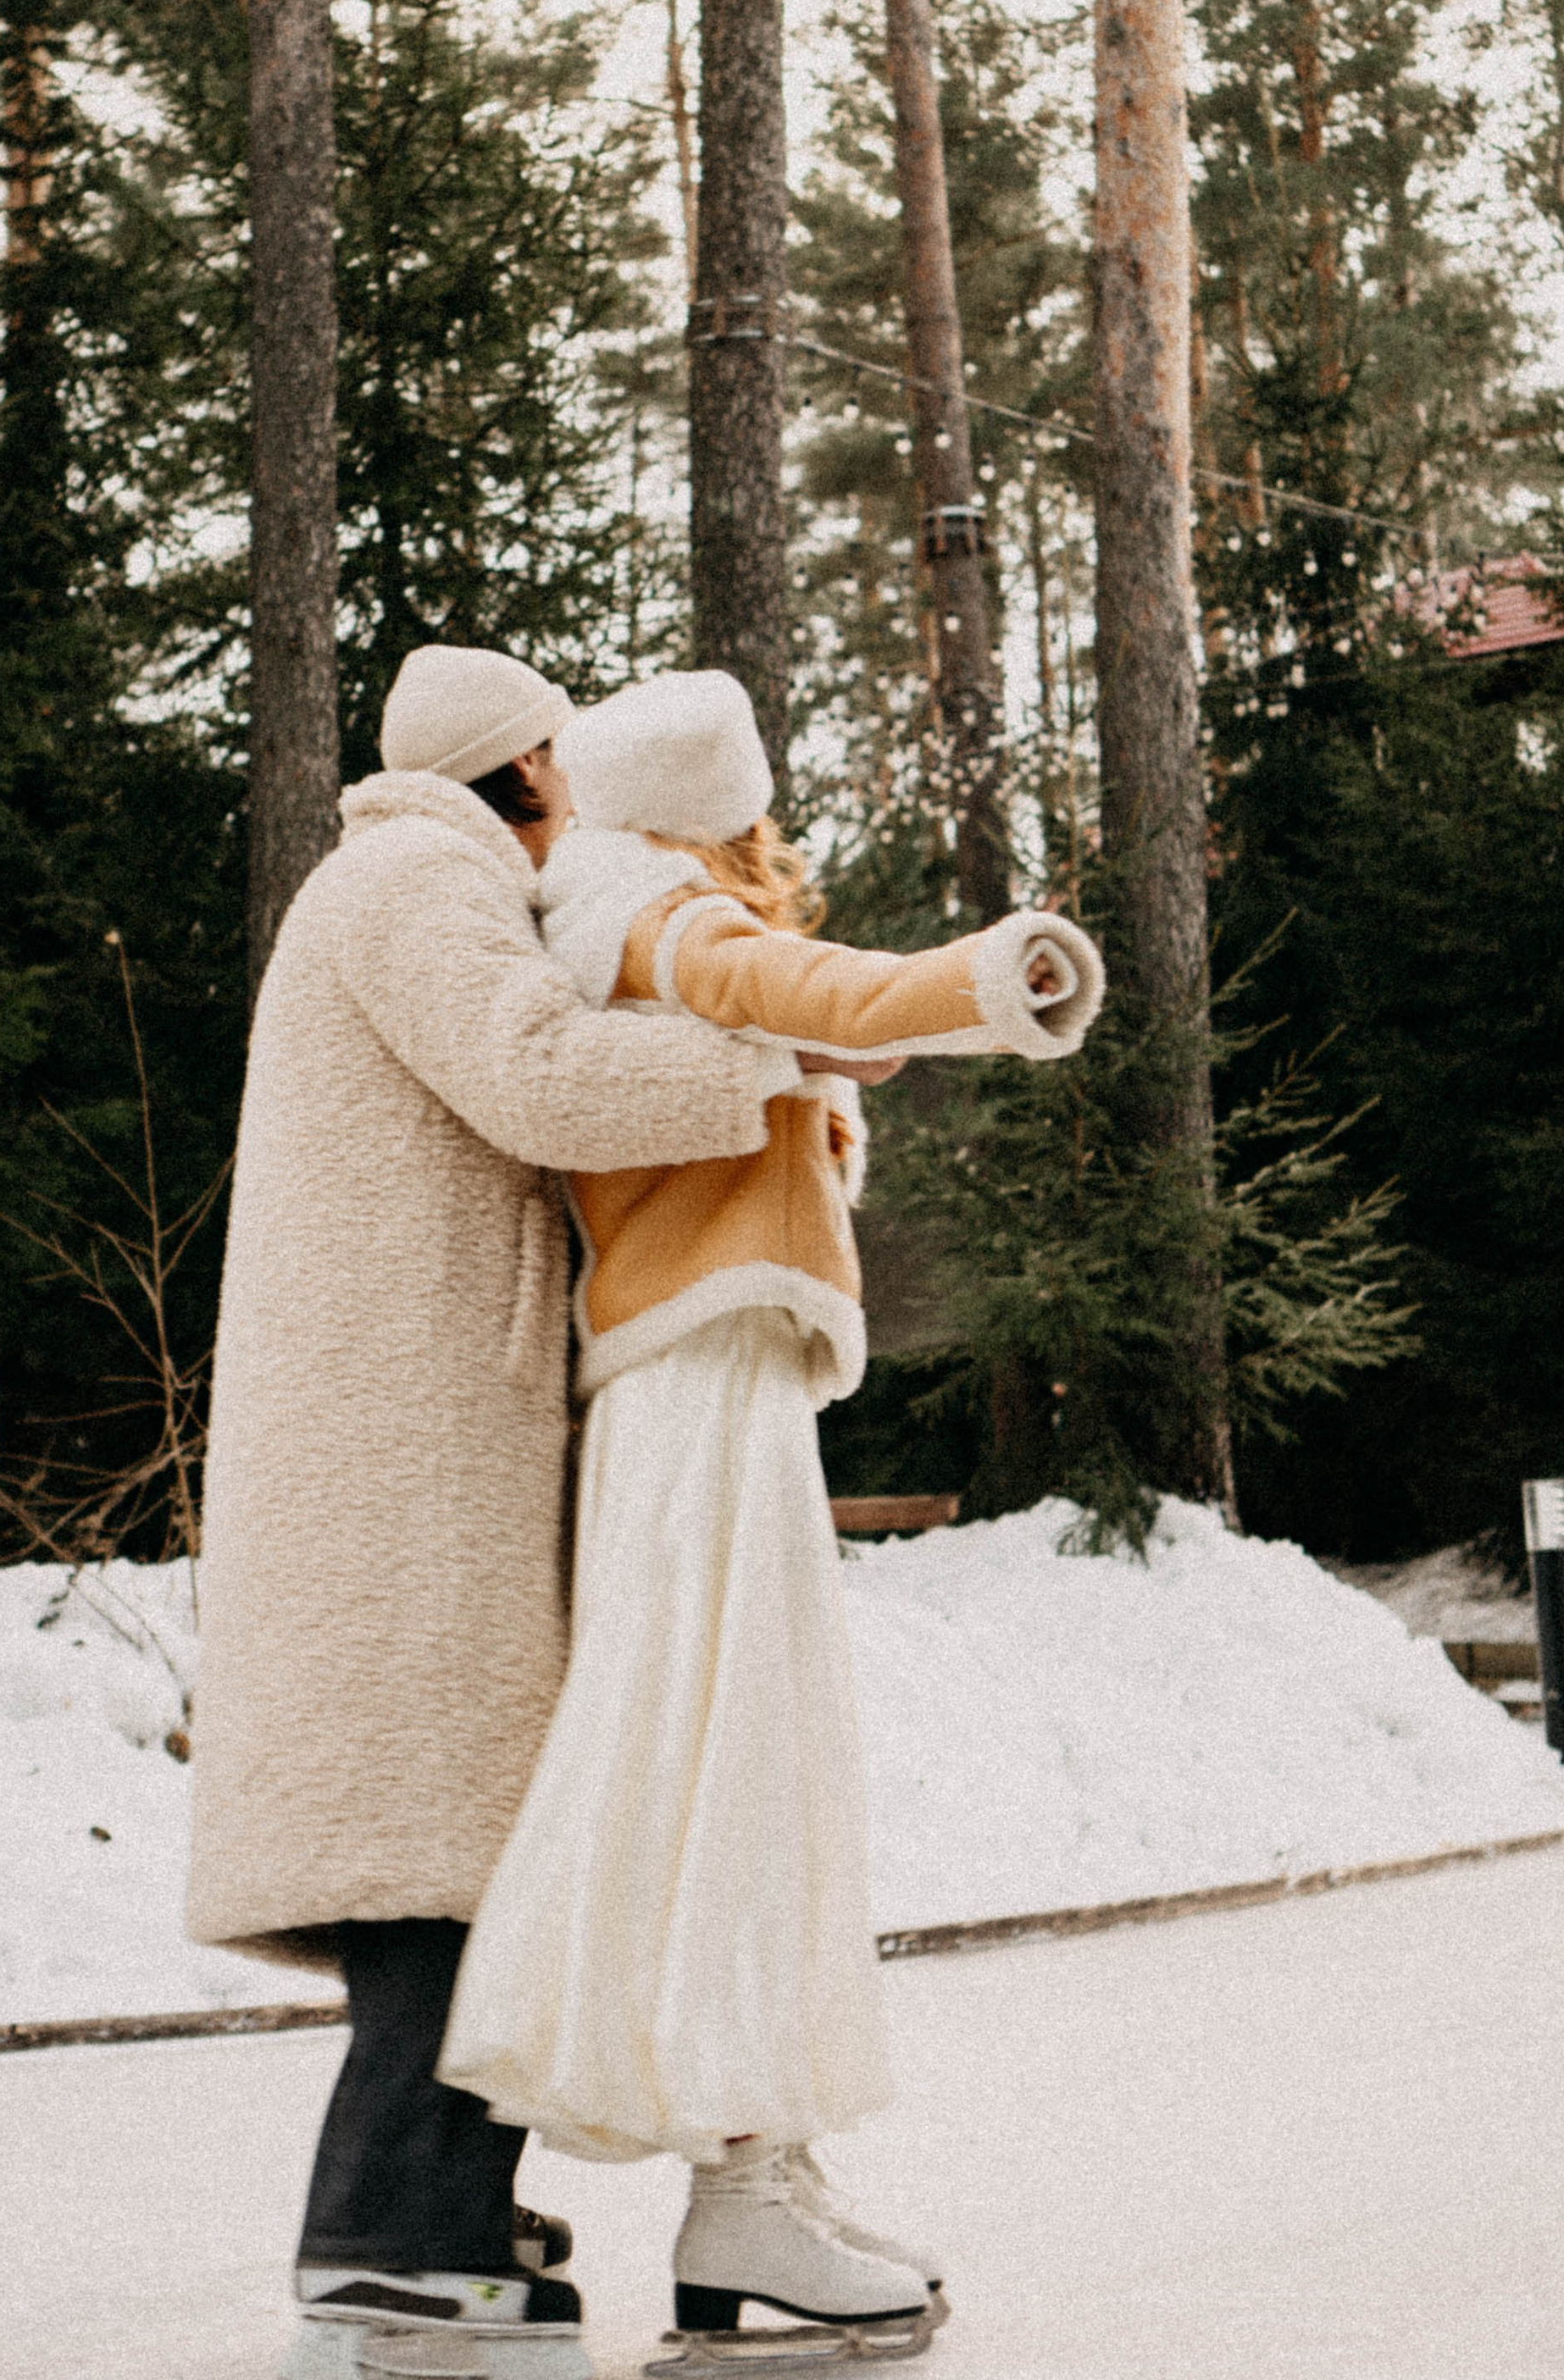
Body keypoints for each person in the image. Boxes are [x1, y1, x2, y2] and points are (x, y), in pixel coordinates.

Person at [441, 669, 1104, 2356]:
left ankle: (754, 2184)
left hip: (715, 1383)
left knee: (742, 1768)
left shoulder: (636, 912)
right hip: (693, 1387)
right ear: (703, 806)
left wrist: (977, 1006)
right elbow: (790, 980)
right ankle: (740, 2191)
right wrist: (978, 968)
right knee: (721, 1769)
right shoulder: (646, 907)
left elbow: (815, 1017)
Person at [185, 646, 826, 2363]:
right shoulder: (409, 879)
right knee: (435, 1856)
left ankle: (440, 2205)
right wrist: (763, 1062)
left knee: (474, 1843)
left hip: (415, 1452)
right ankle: (385, 2228)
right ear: (525, 768)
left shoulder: (416, 882)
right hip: (393, 1469)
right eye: (565, 758)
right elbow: (534, 1073)